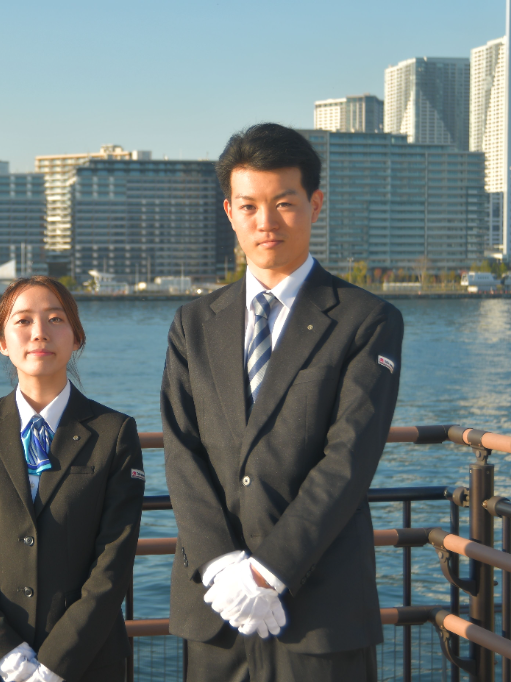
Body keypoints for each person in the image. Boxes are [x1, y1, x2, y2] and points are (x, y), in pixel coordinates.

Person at [161, 123, 403, 682]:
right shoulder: (194, 324)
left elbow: (349, 459)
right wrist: (224, 568)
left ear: (315, 204)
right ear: (229, 211)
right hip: (216, 611)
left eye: (283, 203)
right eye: (249, 206)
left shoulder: (367, 320)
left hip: (319, 609)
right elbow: (181, 451)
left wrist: (269, 573)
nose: (265, 222)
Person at [0, 276, 146, 682]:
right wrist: (5, 652)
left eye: (55, 319)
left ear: (77, 338)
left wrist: (56, 662)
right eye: (23, 321)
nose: (39, 333)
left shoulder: (114, 432)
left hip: (86, 662)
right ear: (1, 342)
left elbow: (115, 556)